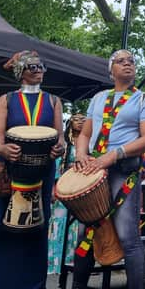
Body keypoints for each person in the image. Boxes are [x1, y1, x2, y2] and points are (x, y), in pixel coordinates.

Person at [0, 51, 65, 289]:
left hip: (42, 172)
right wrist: (2, 149)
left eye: (41, 66)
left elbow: (61, 139)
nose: (38, 70)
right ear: (20, 72)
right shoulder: (6, 99)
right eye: (32, 66)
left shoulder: (54, 101)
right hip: (11, 171)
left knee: (36, 228)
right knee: (0, 227)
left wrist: (59, 148)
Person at [70, 49, 145, 289]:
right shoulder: (98, 98)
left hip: (123, 172)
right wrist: (80, 153)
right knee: (85, 234)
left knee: (128, 236)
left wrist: (114, 154)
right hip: (95, 172)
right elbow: (85, 133)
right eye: (121, 61)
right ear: (111, 70)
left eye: (131, 60)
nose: (128, 64)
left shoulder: (143, 100)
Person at [47, 113, 84, 274]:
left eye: (84, 120)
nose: (80, 123)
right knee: (58, 223)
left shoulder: (86, 143)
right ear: (70, 123)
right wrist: (54, 187)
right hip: (63, 185)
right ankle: (54, 262)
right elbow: (56, 166)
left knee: (76, 225)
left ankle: (71, 262)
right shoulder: (65, 144)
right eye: (77, 119)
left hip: (80, 187)